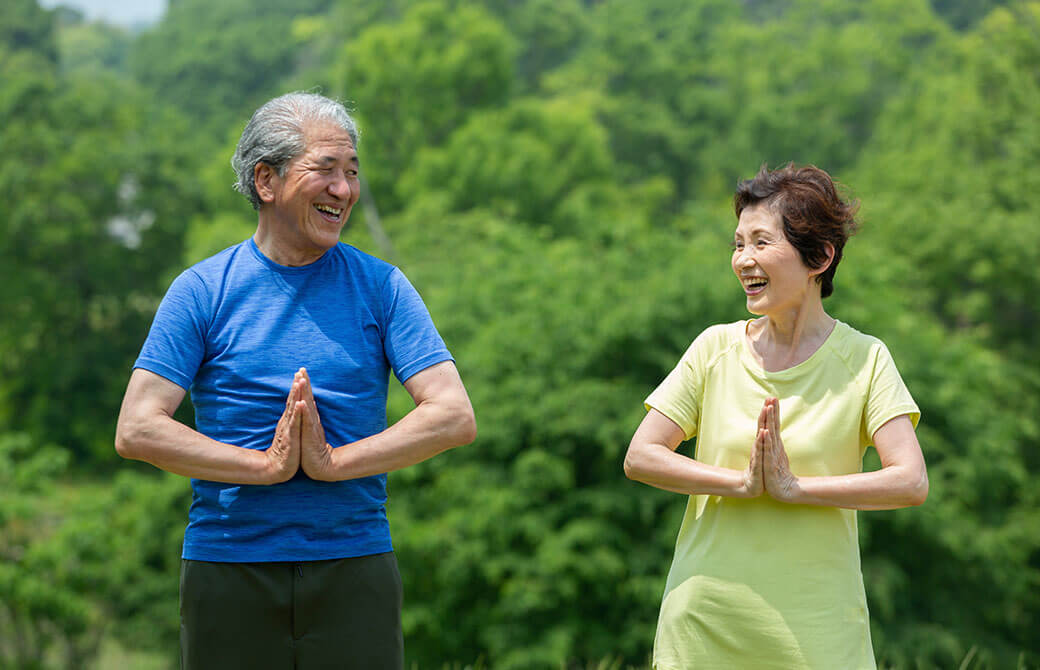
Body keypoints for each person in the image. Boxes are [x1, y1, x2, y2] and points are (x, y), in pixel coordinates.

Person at [115, 92, 476, 669]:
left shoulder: (382, 286)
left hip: (354, 567)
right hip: (227, 568)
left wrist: (334, 463)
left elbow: (453, 416)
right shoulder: (202, 290)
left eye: (351, 172)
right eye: (326, 169)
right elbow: (137, 428)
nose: (344, 189)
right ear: (266, 180)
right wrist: (264, 467)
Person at [624, 164, 927, 669]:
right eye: (738, 244)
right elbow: (641, 456)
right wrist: (741, 483)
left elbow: (910, 481)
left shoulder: (865, 359)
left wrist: (795, 488)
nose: (744, 260)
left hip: (819, 630)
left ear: (820, 257)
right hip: (704, 623)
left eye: (761, 243)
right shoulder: (714, 349)